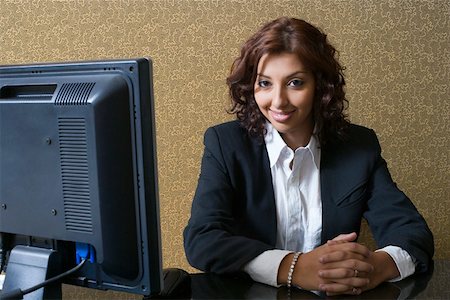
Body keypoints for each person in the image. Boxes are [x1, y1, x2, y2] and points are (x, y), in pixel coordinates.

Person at [183, 17, 434, 296]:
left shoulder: (358, 146)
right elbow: (202, 240)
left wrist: (374, 267)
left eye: (295, 82)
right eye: (264, 83)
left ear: (320, 86)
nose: (278, 101)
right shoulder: (226, 144)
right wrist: (294, 267)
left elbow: (412, 232)